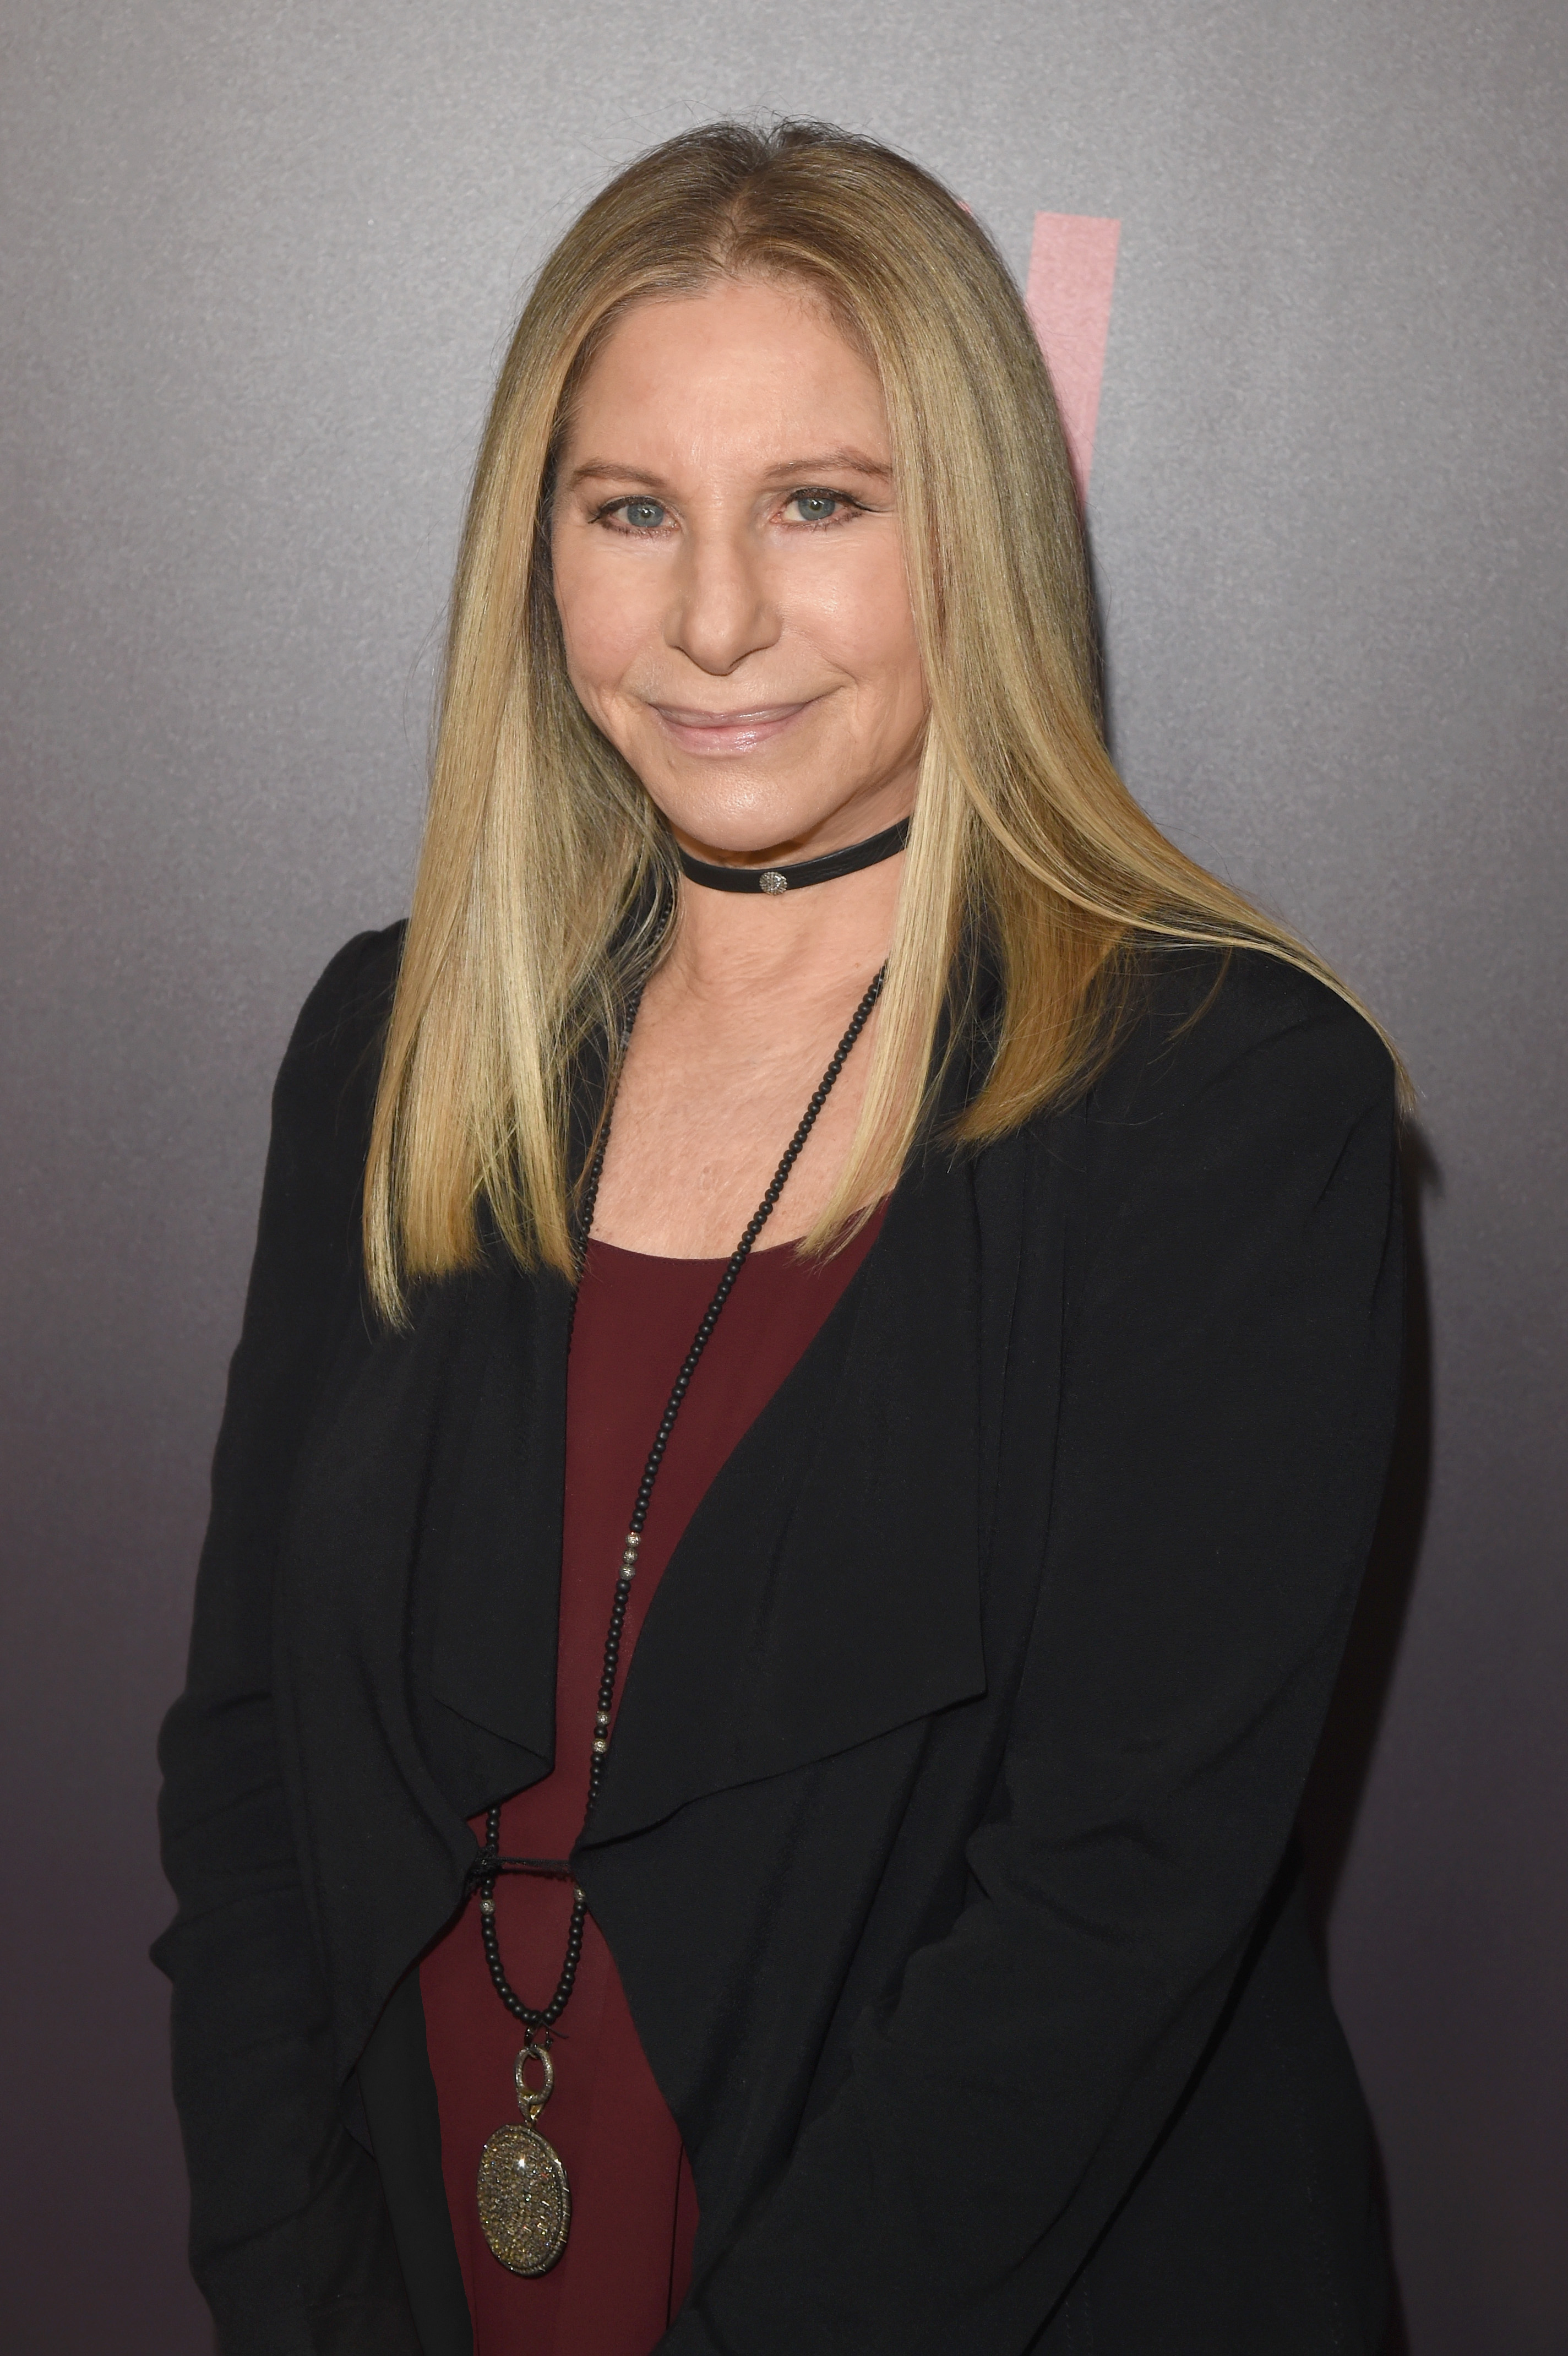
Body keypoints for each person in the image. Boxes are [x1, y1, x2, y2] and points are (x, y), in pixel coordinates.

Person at [154, 119, 1406, 2356]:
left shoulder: (1227, 1097)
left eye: (818, 503)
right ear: (535, 557)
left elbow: (1110, 1913)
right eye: (630, 509)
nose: (712, 614)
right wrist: (303, 2297)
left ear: (980, 537)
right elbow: (246, 1770)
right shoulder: (394, 1037)